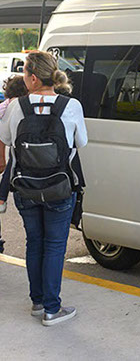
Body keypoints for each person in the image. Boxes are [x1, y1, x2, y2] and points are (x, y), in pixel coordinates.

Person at [0, 51, 88, 326]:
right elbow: (81, 142)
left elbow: (6, 139)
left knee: (34, 242)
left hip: (25, 187)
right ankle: (52, 309)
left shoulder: (17, 106)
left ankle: (38, 303)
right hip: (59, 187)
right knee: (54, 246)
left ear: (34, 78)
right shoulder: (71, 105)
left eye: (24, 72)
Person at [0, 76, 30, 212]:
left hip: (13, 140)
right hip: (15, 141)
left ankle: (2, 198)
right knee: (13, 161)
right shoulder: (16, 104)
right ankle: (1, 197)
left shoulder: (6, 103)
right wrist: (1, 157)